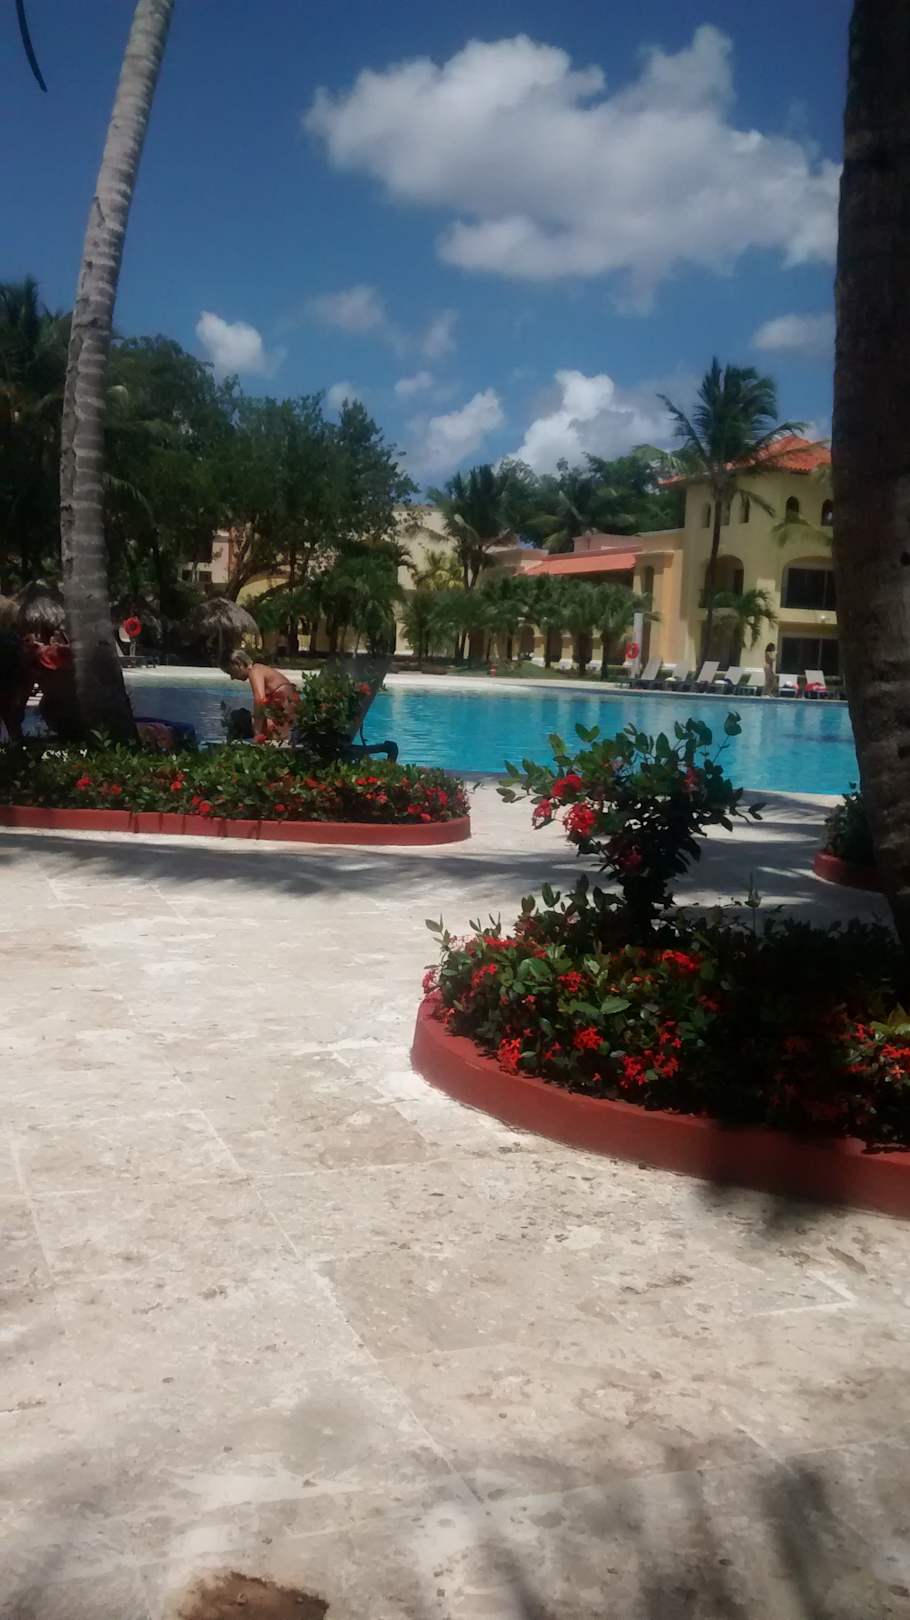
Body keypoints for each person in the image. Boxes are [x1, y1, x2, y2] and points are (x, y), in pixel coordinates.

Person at [222, 647, 298, 741]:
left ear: (238, 663)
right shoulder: (261, 669)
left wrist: (257, 733)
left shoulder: (255, 670)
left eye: (231, 672)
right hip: (288, 723)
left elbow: (260, 700)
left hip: (281, 724)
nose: (232, 678)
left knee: (238, 716)